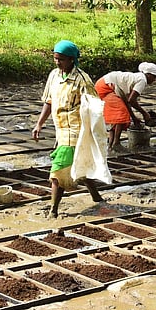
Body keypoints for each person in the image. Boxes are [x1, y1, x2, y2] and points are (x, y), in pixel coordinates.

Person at [32, 40, 106, 217]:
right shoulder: (54, 76)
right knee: (78, 163)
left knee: (59, 169)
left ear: (72, 60)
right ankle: (97, 198)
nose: (58, 62)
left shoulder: (82, 80)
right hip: (61, 129)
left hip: (75, 130)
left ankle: (53, 211)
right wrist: (39, 123)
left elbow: (95, 108)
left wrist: (97, 134)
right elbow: (49, 101)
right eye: (56, 59)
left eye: (62, 59)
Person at [95, 62, 156, 153]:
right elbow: (131, 101)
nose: (154, 80)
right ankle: (116, 143)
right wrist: (144, 113)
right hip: (106, 87)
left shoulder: (137, 77)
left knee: (118, 116)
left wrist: (134, 118)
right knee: (121, 113)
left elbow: (127, 102)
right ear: (148, 75)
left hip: (104, 85)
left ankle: (110, 145)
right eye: (154, 77)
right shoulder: (142, 80)